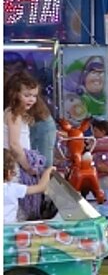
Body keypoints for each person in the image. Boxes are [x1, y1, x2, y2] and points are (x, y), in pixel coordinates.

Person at [6, 73, 51, 220]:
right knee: (16, 210)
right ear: (15, 94)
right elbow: (14, 144)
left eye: (34, 95)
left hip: (14, 165)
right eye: (27, 95)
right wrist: (29, 167)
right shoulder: (14, 114)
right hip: (14, 166)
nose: (32, 99)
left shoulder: (15, 114)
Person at [4, 152, 53, 224]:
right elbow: (41, 187)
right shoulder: (12, 188)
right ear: (9, 173)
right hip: (9, 228)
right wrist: (48, 171)